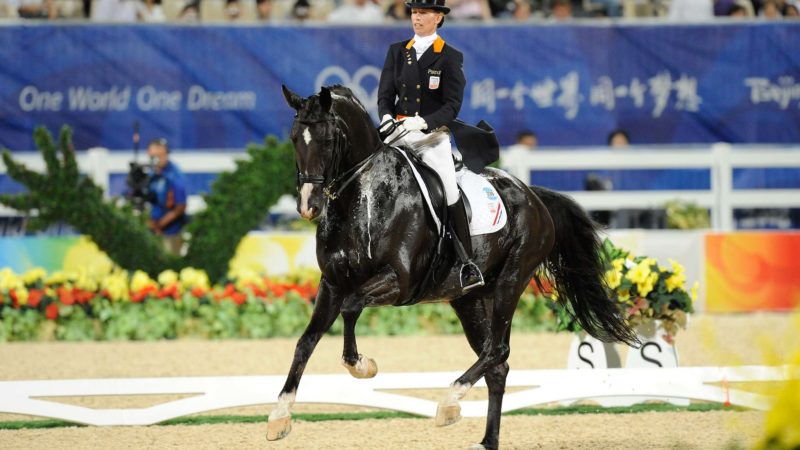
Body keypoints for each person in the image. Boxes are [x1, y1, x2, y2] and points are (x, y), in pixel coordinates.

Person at [377, 0, 484, 290]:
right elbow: (385, 95)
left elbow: (452, 106)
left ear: (438, 17)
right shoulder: (398, 52)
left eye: (423, 13)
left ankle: (466, 263)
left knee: (449, 188)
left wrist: (423, 122)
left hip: (431, 137)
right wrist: (387, 117)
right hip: (398, 133)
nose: (417, 18)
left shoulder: (449, 57)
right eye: (413, 12)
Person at [146, 138, 188, 255]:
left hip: (170, 231)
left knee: (169, 264)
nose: (156, 160)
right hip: (151, 229)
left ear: (166, 153)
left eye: (160, 155)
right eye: (153, 156)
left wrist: (159, 225)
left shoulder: (175, 175)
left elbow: (180, 206)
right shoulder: (150, 173)